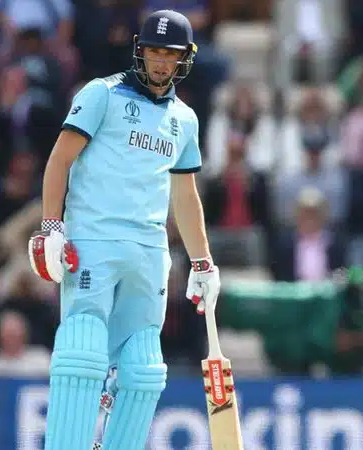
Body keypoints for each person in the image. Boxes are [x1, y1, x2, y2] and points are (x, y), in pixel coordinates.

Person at [27, 10, 220, 450]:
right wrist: (52, 226)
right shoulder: (102, 94)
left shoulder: (185, 119)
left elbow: (185, 195)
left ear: (184, 59)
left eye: (170, 54)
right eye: (154, 51)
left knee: (143, 369)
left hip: (150, 253)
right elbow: (60, 160)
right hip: (93, 240)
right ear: (139, 50)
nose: (160, 62)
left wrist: (203, 262)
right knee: (83, 351)